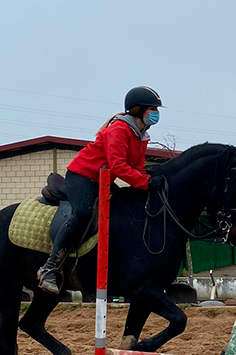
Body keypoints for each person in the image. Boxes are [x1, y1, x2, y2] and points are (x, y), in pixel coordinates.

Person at [37, 86, 163, 294]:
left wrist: (148, 181)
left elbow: (138, 167)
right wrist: (145, 182)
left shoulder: (141, 135)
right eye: (152, 109)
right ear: (138, 109)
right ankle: (49, 267)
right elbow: (119, 166)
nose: (156, 114)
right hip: (82, 176)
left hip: (103, 179)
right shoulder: (119, 130)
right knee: (83, 213)